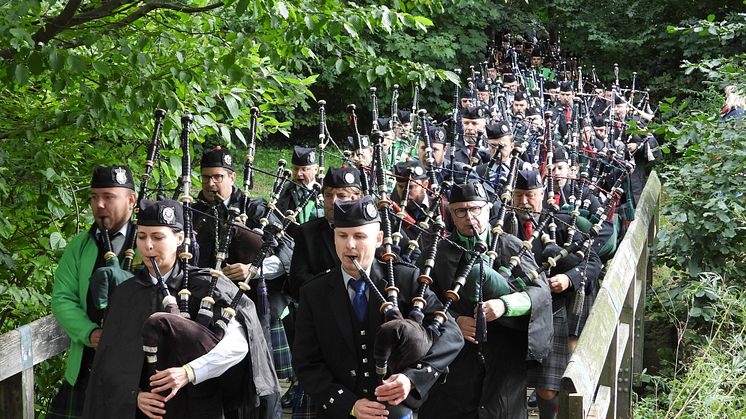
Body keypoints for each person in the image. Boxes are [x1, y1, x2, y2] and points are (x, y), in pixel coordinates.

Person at [83, 199, 279, 419]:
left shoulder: (206, 285)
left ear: (179, 238)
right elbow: (110, 361)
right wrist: (133, 395)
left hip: (203, 407)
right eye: (141, 236)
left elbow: (238, 344)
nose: (148, 246)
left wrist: (189, 372)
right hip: (146, 413)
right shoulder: (126, 293)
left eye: (157, 237)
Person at [292, 196, 464, 419]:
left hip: (396, 409)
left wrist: (411, 378)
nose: (349, 245)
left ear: (378, 238)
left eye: (359, 236)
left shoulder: (405, 279)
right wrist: (348, 404)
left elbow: (451, 335)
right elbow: (306, 361)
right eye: (342, 236)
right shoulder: (314, 292)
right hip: (339, 410)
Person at [417, 181, 552, 419]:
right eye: (461, 211)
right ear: (451, 214)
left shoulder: (511, 245)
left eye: (475, 209)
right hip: (454, 363)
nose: (470, 217)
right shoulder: (437, 250)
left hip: (503, 359)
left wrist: (504, 305)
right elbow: (420, 298)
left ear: (489, 209)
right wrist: (454, 320)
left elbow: (540, 293)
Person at [192, 146, 287, 418]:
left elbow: (286, 256)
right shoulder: (192, 212)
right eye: (206, 177)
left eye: (218, 177)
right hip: (206, 309)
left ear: (232, 177)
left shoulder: (257, 209)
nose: (211, 183)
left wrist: (252, 270)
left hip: (252, 306)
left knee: (258, 374)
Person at [510, 169, 602, 419]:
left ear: (541, 194)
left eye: (529, 195)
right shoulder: (504, 224)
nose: (523, 201)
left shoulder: (562, 224)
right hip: (513, 310)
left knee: (548, 387)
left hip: (555, 310)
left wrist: (568, 279)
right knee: (513, 382)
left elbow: (593, 264)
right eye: (518, 195)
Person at [48, 165, 137, 419]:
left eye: (108, 197)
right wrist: (90, 333)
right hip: (86, 367)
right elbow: (62, 298)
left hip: (133, 372)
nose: (99, 205)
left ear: (131, 200)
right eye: (94, 197)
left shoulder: (146, 242)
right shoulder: (80, 245)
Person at [277, 145, 323, 230]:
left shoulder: (325, 191)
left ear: (316, 169)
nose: (299, 174)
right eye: (295, 169)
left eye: (304, 169)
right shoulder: (283, 189)